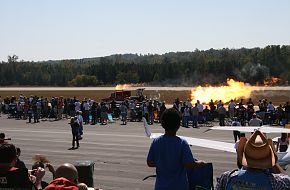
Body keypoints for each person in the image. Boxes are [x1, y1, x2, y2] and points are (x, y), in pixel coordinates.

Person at [147, 108, 206, 190]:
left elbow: (150, 162)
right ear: (178, 125)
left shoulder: (156, 141)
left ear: (163, 123)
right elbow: (189, 164)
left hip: (161, 186)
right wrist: (201, 163)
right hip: (179, 186)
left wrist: (163, 163)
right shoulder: (182, 143)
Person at [216, 130, 290, 189]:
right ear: (268, 158)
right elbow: (287, 180)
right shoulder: (277, 182)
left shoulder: (227, 177)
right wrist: (274, 163)